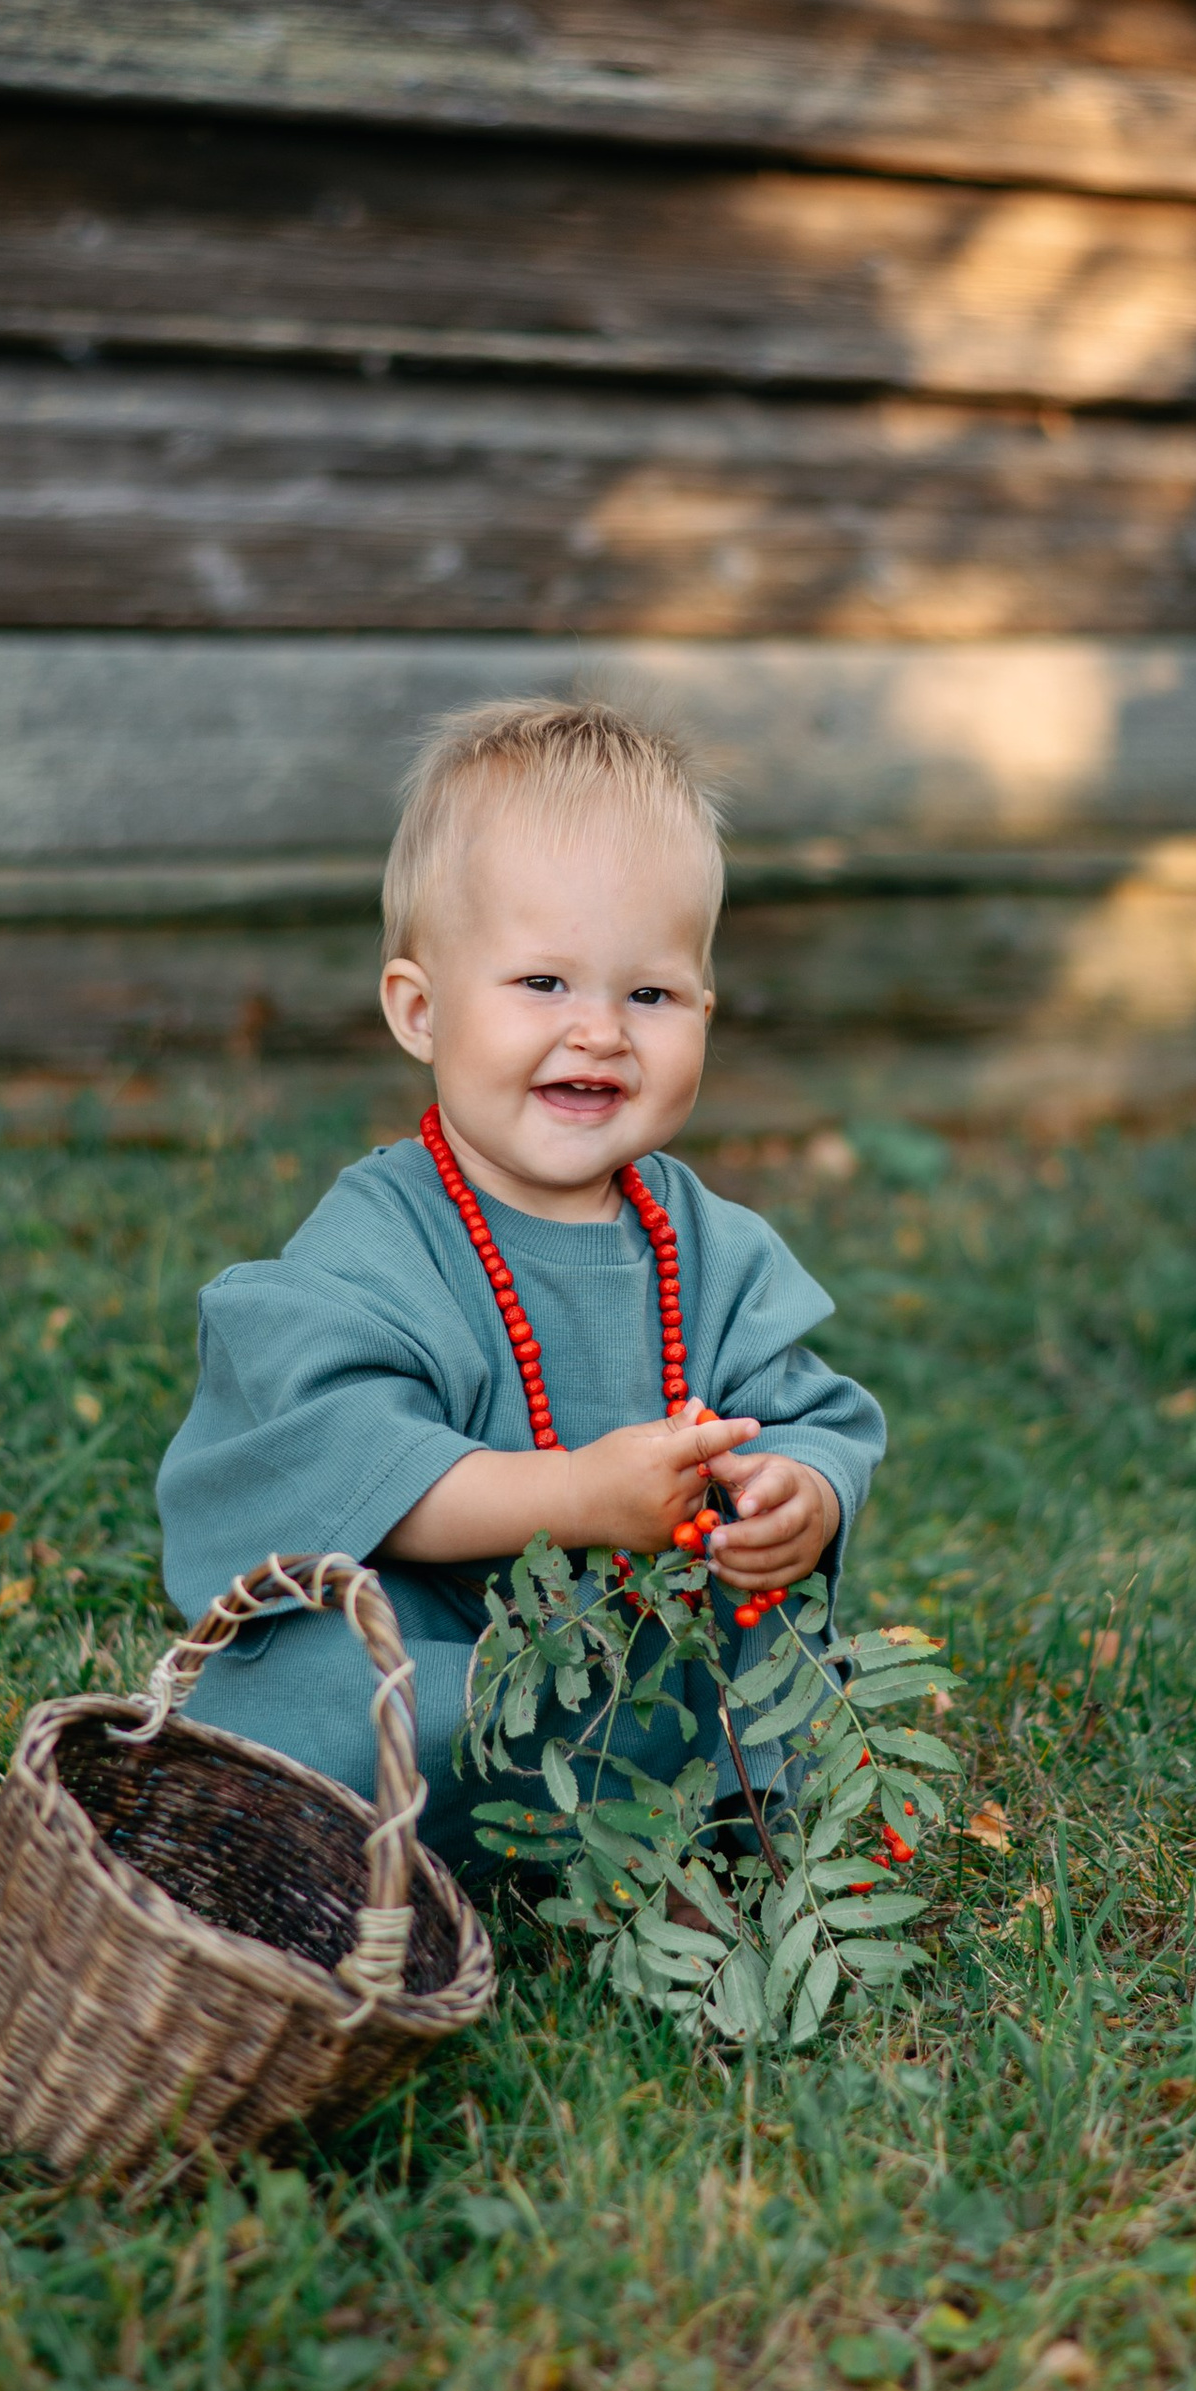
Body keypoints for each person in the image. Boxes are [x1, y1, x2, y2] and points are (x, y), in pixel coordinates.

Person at [155, 698, 885, 1861]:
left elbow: (810, 1412)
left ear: (703, 1011)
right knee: (326, 1681)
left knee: (774, 1661)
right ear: (420, 1008)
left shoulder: (709, 1244)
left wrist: (796, 1491)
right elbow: (337, 1462)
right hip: (448, 1654)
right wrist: (575, 1498)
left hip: (644, 1648)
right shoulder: (385, 1232)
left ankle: (672, 1814)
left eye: (648, 994)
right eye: (542, 982)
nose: (597, 1031)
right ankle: (406, 1822)